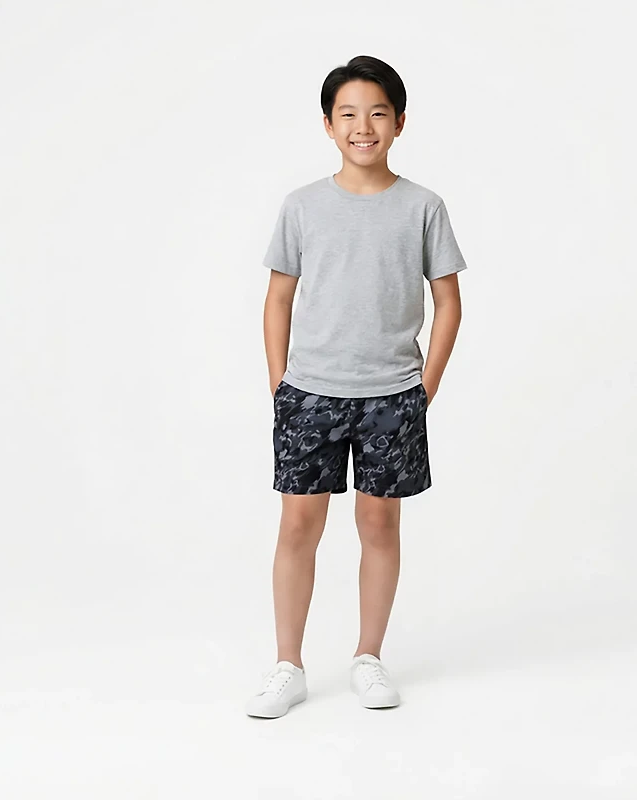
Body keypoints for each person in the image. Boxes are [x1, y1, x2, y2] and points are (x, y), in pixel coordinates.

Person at [246, 55, 467, 719]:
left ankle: (369, 657)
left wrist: (424, 388)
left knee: (379, 522)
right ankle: (288, 665)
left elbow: (448, 302)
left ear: (399, 122)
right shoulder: (303, 206)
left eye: (377, 113)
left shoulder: (423, 207)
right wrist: (280, 383)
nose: (362, 126)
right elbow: (278, 296)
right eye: (348, 114)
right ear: (328, 124)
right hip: (309, 393)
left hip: (392, 396)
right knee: (298, 525)